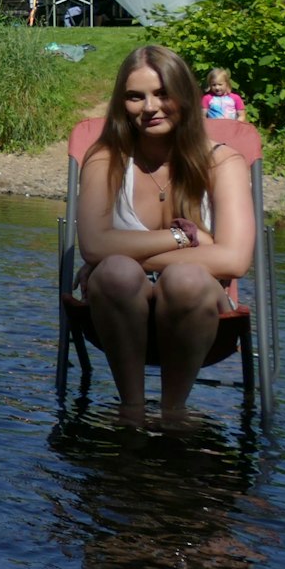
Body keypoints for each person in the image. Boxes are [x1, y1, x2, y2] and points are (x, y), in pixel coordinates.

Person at [76, 45, 255, 424]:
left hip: (200, 312)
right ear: (121, 103)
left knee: (183, 278)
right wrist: (186, 238)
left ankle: (175, 412)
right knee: (117, 273)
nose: (149, 107)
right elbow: (93, 245)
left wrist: (116, 252)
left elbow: (236, 260)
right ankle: (132, 411)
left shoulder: (222, 163)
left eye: (162, 93)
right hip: (113, 309)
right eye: (135, 96)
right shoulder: (105, 158)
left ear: (186, 95)